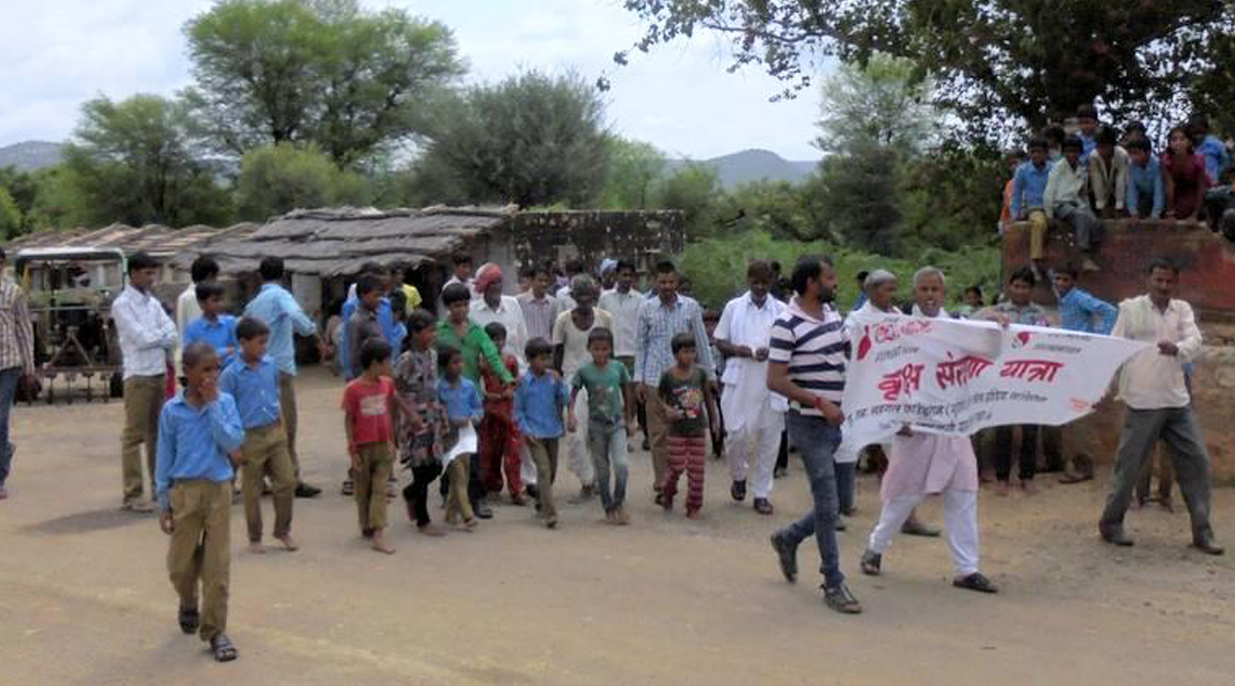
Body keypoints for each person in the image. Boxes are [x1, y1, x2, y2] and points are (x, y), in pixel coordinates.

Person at [859, 267, 998, 595]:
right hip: (915, 425)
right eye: (924, 289)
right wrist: (896, 416)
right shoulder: (900, 329)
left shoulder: (957, 327)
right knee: (904, 496)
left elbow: (988, 342)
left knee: (963, 494)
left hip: (953, 426)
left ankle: (967, 569)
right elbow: (885, 371)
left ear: (944, 293)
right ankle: (875, 548)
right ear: (915, 292)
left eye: (936, 289)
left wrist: (998, 320)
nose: (931, 295)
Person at [1098, 258, 1222, 556]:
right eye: (1159, 280)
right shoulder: (1130, 309)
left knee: (1198, 464)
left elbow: (1195, 340)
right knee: (1129, 467)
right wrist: (1101, 387)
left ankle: (1202, 533)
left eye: (1169, 281)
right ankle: (1111, 524)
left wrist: (1178, 349)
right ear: (1149, 280)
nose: (1163, 286)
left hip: (1177, 401)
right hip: (1142, 401)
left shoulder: (1182, 310)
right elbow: (1113, 348)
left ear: (1175, 283)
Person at [767, 255, 862, 615]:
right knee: (827, 501)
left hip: (840, 422)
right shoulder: (786, 324)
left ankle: (788, 537)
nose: (835, 283)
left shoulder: (833, 315)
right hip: (810, 424)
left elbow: (846, 354)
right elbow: (775, 380)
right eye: (830, 277)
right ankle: (833, 581)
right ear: (811, 283)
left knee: (836, 503)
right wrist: (819, 402)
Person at [155, 342, 245, 662]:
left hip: (218, 489)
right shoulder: (172, 410)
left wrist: (215, 406)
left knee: (217, 565)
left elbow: (233, 442)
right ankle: (188, 598)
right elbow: (164, 456)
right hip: (185, 492)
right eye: (205, 369)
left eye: (216, 368)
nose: (212, 375)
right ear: (188, 372)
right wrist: (163, 500)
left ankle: (215, 630)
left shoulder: (226, 403)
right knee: (180, 565)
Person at [634, 260, 716, 503]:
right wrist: (638, 380)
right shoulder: (646, 308)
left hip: (687, 382)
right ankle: (662, 484)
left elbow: (702, 342)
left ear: (677, 282)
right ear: (654, 281)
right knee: (658, 435)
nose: (667, 286)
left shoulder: (690, 307)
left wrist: (710, 375)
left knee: (686, 433)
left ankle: (680, 479)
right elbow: (641, 346)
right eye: (662, 282)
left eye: (671, 282)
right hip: (654, 381)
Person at [244, 257, 322, 498]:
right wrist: (311, 330)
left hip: (258, 368)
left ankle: (263, 478)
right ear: (284, 275)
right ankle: (291, 478)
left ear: (260, 276)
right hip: (281, 369)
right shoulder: (280, 296)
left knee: (263, 424)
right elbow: (298, 318)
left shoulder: (254, 303)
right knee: (287, 425)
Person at [714, 260, 786, 516]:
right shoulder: (734, 307)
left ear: (771, 282)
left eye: (765, 283)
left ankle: (762, 493)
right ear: (748, 280)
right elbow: (720, 340)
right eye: (755, 282)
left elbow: (792, 345)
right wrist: (738, 350)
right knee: (735, 434)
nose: (760, 287)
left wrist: (773, 351)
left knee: (770, 438)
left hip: (771, 379)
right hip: (740, 377)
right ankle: (738, 475)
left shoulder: (781, 310)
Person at [219, 317, 297, 554]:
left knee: (286, 481)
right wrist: (233, 445)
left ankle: (282, 530)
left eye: (266, 343)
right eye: (259, 343)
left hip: (273, 432)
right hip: (248, 436)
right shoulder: (231, 374)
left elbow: (274, 395)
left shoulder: (270, 365)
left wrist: (282, 427)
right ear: (243, 342)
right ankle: (255, 537)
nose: (264, 348)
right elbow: (225, 411)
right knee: (252, 490)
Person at [436, 282, 512, 520]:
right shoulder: (439, 332)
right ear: (448, 307)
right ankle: (449, 494)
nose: (462, 310)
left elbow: (492, 356)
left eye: (465, 304)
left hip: (471, 399)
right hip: (446, 399)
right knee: (449, 451)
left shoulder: (477, 331)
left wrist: (507, 379)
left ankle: (476, 498)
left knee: (475, 451)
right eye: (456, 305)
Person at [113, 251, 179, 512]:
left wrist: (158, 336)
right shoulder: (122, 304)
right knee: (133, 435)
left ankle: (159, 487)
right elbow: (140, 338)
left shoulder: (153, 303)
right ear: (134, 273)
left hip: (158, 372)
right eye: (148, 273)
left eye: (154, 273)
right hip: (138, 375)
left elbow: (172, 333)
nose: (152, 278)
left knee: (157, 434)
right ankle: (132, 493)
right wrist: (160, 336)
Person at [986, 268, 1051, 495]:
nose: (1020, 290)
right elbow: (974, 320)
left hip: (1031, 378)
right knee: (1003, 430)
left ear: (1031, 289)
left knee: (1031, 430)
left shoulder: (1040, 314)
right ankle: (1002, 477)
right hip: (1003, 377)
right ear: (1009, 287)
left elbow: (1049, 341)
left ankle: (1027, 476)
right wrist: (995, 317)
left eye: (1025, 286)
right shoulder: (999, 310)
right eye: (1016, 286)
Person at [553, 275, 615, 502]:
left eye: (588, 295)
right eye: (580, 296)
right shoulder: (563, 320)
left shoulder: (605, 318)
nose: (584, 300)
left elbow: (612, 353)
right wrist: (557, 388)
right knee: (576, 435)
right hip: (572, 382)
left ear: (595, 296)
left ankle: (598, 481)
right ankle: (587, 480)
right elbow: (557, 356)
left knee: (598, 434)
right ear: (573, 297)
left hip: (600, 380)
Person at [568, 327, 634, 524]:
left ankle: (619, 501)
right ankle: (608, 506)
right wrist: (571, 414)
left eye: (604, 349)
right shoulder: (584, 371)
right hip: (596, 425)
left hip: (617, 422)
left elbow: (627, 390)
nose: (600, 353)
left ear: (610, 349)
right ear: (589, 349)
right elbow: (572, 393)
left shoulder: (618, 368)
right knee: (603, 470)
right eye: (596, 349)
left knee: (621, 465)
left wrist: (630, 418)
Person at [342, 338, 400, 554]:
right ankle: (366, 524)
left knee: (380, 489)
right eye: (387, 362)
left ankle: (378, 532)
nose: (390, 366)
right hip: (362, 447)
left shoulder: (387, 385)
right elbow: (349, 419)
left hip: (383, 445)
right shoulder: (353, 389)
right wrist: (352, 450)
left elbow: (390, 414)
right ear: (375, 363)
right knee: (362, 490)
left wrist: (392, 441)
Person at [394, 310, 448, 536]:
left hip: (433, 415)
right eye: (429, 331)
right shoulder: (406, 359)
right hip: (415, 418)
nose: (433, 335)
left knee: (435, 465)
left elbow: (434, 384)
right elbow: (394, 389)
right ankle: (423, 520)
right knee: (420, 466)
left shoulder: (433, 355)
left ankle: (410, 493)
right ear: (415, 333)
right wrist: (409, 414)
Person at [657, 333, 717, 518]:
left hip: (697, 430)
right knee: (675, 467)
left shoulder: (700, 374)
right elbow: (658, 398)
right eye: (685, 352)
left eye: (692, 351)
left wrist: (714, 420)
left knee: (697, 472)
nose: (689, 356)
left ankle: (694, 506)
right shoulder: (668, 376)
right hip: (676, 432)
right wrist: (666, 409)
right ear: (675, 354)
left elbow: (707, 397)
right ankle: (667, 493)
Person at [515, 337, 571, 529]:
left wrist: (560, 382)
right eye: (541, 358)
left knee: (551, 471)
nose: (545, 363)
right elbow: (518, 410)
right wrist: (525, 429)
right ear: (530, 360)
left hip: (553, 430)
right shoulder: (523, 382)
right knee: (544, 470)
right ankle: (550, 513)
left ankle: (540, 498)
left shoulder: (552, 379)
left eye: (548, 358)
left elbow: (564, 398)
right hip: (534, 433)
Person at [0, 247, 35, 500]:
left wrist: (29, 368)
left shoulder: (13, 292)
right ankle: (5, 450)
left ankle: (0, 476)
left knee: (0, 419)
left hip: (8, 363)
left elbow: (24, 330)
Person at [598, 259, 646, 442]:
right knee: (613, 394)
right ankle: (615, 430)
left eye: (629, 275)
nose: (626, 279)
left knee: (631, 396)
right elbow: (600, 323)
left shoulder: (641, 300)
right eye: (623, 275)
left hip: (633, 353)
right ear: (616, 276)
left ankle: (627, 429)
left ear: (634, 278)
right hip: (612, 353)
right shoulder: (605, 298)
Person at [437, 345, 484, 530]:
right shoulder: (439, 388)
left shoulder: (469, 386)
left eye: (460, 362)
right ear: (444, 366)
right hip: (448, 436)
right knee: (457, 474)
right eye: (454, 362)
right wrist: (448, 421)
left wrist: (473, 417)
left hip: (467, 435)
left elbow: (478, 407)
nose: (459, 366)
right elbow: (435, 412)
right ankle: (467, 514)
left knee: (463, 476)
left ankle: (450, 512)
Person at [478, 322, 524, 504]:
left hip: (508, 410)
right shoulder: (481, 363)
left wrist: (511, 390)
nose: (497, 343)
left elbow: (515, 382)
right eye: (493, 339)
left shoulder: (510, 360)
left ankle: (516, 489)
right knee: (490, 451)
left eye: (500, 339)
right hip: (489, 411)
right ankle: (492, 485)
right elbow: (479, 386)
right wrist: (490, 395)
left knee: (513, 451)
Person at [1044, 135, 1103, 272]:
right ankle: (1085, 256)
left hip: (1078, 203)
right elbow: (1049, 192)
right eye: (1068, 151)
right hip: (1061, 204)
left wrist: (1089, 211)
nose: (1072, 154)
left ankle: (1092, 252)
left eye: (1075, 151)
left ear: (1080, 152)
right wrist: (1049, 214)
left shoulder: (1082, 170)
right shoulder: (1058, 168)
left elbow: (1083, 194)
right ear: (1063, 153)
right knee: (1081, 217)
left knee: (1096, 222)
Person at [469, 263, 529, 367]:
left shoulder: (513, 304)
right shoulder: (472, 311)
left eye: (499, 281)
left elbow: (523, 339)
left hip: (516, 372)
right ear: (484, 286)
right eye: (492, 283)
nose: (497, 286)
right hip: (487, 374)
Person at [1011, 136, 1055, 276]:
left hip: (1054, 207)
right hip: (1035, 207)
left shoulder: (1054, 168)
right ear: (1029, 153)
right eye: (1033, 151)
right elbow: (1016, 194)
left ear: (1046, 153)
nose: (1036, 155)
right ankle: (1035, 260)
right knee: (1038, 223)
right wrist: (1015, 214)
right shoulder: (1022, 170)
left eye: (1039, 151)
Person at [175, 255, 218, 375]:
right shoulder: (195, 297)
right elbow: (201, 330)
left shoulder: (184, 296)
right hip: (197, 362)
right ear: (210, 276)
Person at [1162, 124, 1211, 222]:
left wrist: (1195, 215)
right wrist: (1170, 212)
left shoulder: (1198, 160)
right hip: (1177, 197)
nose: (1178, 143)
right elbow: (1169, 187)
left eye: (1182, 139)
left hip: (1197, 195)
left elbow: (1201, 188)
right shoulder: (1167, 161)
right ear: (1169, 143)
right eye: (1174, 140)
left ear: (1189, 142)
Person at [183, 283, 237, 370]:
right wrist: (226, 351)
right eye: (215, 300)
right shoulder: (193, 329)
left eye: (221, 300)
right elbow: (192, 358)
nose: (220, 304)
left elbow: (238, 350)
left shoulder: (230, 323)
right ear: (202, 304)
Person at [345, 274, 385, 381]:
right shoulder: (356, 321)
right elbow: (353, 355)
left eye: (380, 296)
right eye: (376, 296)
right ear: (363, 295)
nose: (379, 299)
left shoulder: (375, 316)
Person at [1088, 126, 1129, 219]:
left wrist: (1119, 206)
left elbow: (1121, 180)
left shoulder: (1122, 154)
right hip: (1102, 193)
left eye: (1104, 146)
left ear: (1112, 145)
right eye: (1098, 146)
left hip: (1121, 191)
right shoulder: (1093, 156)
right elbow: (1096, 182)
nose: (1100, 150)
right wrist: (1102, 207)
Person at [517, 263, 563, 344]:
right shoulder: (519, 301)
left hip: (547, 348)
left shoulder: (553, 303)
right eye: (540, 280)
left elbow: (554, 328)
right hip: (528, 349)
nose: (544, 284)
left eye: (546, 281)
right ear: (531, 281)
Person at [1126, 137, 1166, 220]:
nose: (1133, 157)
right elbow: (1132, 191)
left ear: (1148, 152)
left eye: (1136, 153)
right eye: (1131, 153)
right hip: (1146, 198)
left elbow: (1159, 192)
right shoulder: (1131, 166)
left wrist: (1155, 215)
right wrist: (1134, 213)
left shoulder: (1157, 165)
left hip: (1164, 199)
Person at [1190, 114, 1230, 183]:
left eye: (1200, 126)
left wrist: (1217, 174)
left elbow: (1226, 161)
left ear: (1206, 129)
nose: (1196, 129)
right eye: (1193, 127)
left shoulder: (1215, 143)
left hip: (1213, 186)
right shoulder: (1189, 147)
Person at [999, 149, 1025, 233]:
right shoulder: (1010, 185)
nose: (1013, 167)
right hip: (1009, 224)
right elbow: (1013, 206)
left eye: (1015, 163)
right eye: (1010, 165)